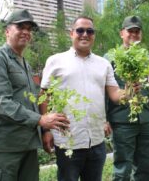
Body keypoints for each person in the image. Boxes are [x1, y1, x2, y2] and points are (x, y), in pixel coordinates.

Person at [0, 9, 69, 181]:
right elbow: (1, 102)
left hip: (27, 143)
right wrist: (40, 120)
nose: (26, 32)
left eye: (29, 29)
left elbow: (31, 102)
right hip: (4, 146)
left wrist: (44, 130)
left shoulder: (24, 63)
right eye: (20, 27)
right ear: (7, 31)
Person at [40, 16, 123, 181]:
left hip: (96, 141)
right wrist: (46, 130)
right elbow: (44, 95)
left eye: (90, 31)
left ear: (94, 35)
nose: (85, 34)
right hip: (68, 141)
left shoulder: (103, 64)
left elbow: (115, 95)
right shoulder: (56, 61)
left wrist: (132, 91)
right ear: (71, 33)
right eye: (80, 30)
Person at [105, 16, 149, 181]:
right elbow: (102, 92)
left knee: (146, 167)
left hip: (146, 121)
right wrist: (104, 119)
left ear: (141, 34)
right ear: (122, 33)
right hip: (122, 122)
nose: (134, 34)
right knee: (123, 168)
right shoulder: (110, 59)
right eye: (130, 31)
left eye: (137, 31)